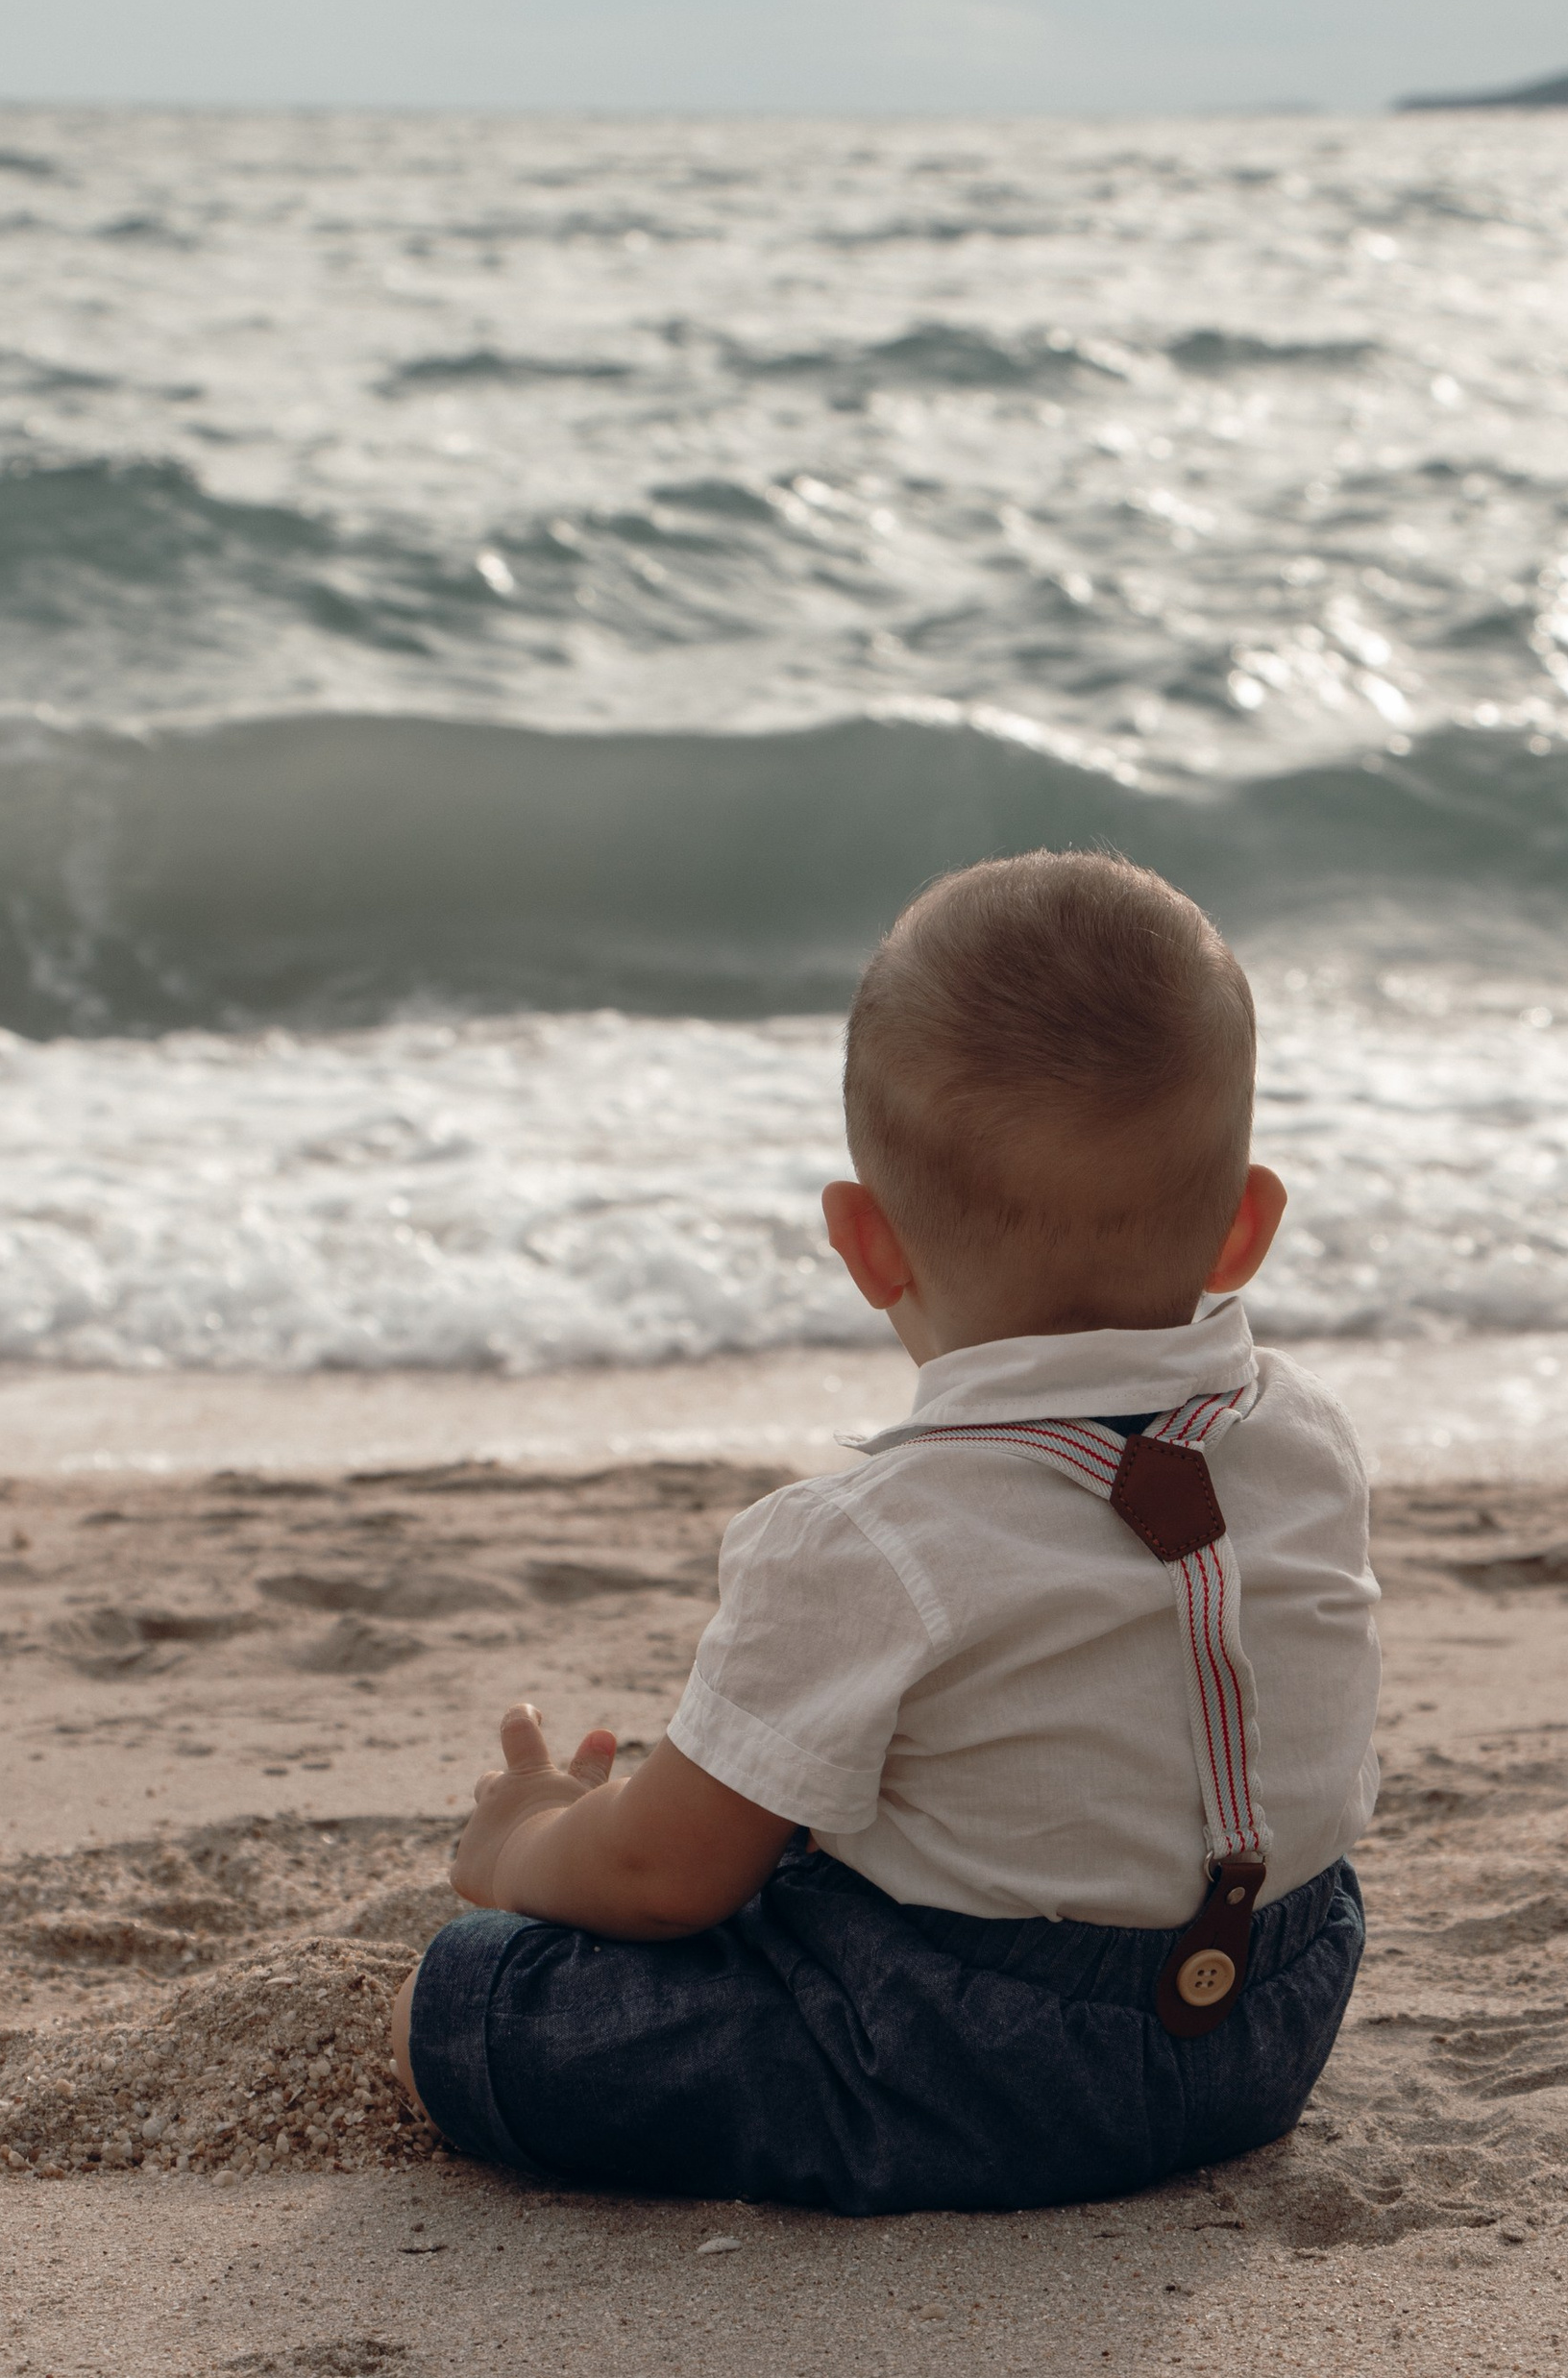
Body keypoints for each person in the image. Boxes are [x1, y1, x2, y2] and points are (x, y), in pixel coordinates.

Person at [388, 848, 1379, 2214]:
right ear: (1245, 1225)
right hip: (1276, 2007)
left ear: (864, 1243)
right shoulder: (1309, 1437)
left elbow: (664, 1876)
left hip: (987, 2067)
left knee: (476, 1998)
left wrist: (523, 1840)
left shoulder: (866, 1537)